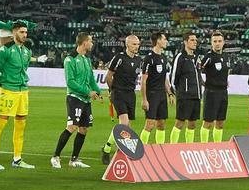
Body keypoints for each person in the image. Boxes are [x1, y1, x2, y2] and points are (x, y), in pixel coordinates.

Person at [0, 21, 35, 170]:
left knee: (21, 124)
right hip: (8, 90)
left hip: (23, 91)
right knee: (0, 124)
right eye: (21, 32)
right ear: (14, 33)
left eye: (26, 32)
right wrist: (1, 88)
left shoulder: (27, 52)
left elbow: (24, 69)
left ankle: (17, 159)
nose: (24, 35)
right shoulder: (4, 50)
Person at [52, 32, 102, 169]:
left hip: (86, 100)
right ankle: (55, 156)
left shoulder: (86, 59)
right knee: (72, 127)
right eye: (90, 41)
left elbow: (91, 79)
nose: (92, 44)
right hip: (75, 98)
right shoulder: (70, 59)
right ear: (84, 42)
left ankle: (74, 160)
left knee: (84, 129)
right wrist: (88, 92)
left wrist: (98, 91)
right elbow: (70, 82)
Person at [101, 35, 142, 163]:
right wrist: (111, 90)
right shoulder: (119, 58)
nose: (137, 46)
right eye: (134, 44)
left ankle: (107, 148)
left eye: (138, 44)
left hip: (131, 94)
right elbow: (108, 76)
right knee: (123, 124)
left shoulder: (139, 60)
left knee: (127, 127)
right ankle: (122, 153)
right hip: (118, 93)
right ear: (127, 45)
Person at [139, 32, 173, 144]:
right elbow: (143, 81)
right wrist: (144, 99)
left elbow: (164, 78)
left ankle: (160, 150)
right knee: (150, 124)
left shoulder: (163, 57)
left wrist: (170, 93)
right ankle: (139, 150)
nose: (166, 41)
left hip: (162, 95)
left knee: (161, 124)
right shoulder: (149, 59)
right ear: (158, 41)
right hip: (152, 95)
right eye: (164, 39)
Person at [170, 32, 203, 143]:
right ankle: (172, 147)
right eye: (192, 40)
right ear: (185, 42)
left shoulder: (197, 57)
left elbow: (198, 75)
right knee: (180, 122)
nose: (195, 42)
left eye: (195, 40)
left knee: (192, 123)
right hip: (184, 96)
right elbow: (173, 77)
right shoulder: (180, 57)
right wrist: (176, 92)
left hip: (196, 95)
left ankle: (189, 146)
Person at [200, 31, 230, 143]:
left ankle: (217, 146)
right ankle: (204, 146)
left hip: (223, 93)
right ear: (211, 43)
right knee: (208, 122)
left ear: (223, 43)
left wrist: (225, 80)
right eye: (215, 41)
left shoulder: (226, 57)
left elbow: (227, 70)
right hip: (211, 93)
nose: (217, 43)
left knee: (220, 122)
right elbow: (197, 70)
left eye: (219, 41)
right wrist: (204, 83)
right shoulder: (208, 57)